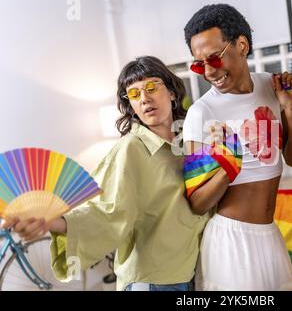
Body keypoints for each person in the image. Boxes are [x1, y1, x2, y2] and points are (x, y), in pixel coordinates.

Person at [1, 56, 208, 291]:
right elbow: (107, 211)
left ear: (171, 92)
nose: (145, 98)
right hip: (153, 281)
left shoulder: (190, 144)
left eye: (151, 87)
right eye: (134, 94)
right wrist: (53, 221)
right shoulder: (131, 149)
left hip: (192, 273)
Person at [182, 3, 292, 290]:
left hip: (270, 235)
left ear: (241, 45)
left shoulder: (270, 87)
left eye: (214, 58)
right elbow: (197, 203)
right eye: (200, 64)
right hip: (231, 242)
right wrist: (229, 165)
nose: (209, 73)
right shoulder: (202, 112)